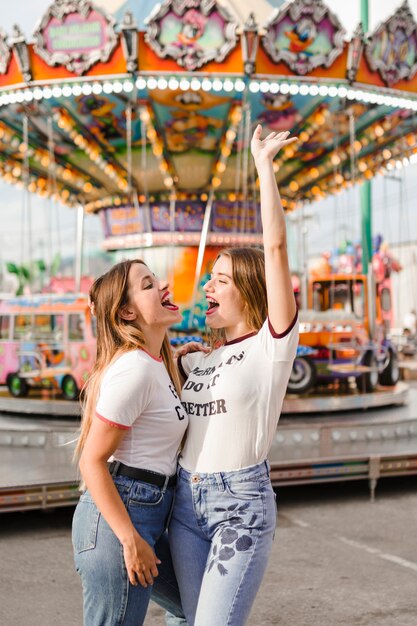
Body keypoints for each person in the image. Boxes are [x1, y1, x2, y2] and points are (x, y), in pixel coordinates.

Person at [169, 126, 299, 626]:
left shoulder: (272, 345)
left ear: (249, 289)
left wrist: (263, 164)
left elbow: (277, 249)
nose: (208, 285)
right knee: (185, 621)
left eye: (220, 279)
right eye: (210, 278)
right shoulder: (196, 360)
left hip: (239, 504)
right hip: (184, 501)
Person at [71, 259, 188, 626]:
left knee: (195, 609)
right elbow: (91, 460)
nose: (165, 285)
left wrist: (182, 363)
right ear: (127, 312)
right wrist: (129, 539)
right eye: (149, 284)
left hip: (148, 511)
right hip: (122, 518)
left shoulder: (153, 365)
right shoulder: (134, 369)